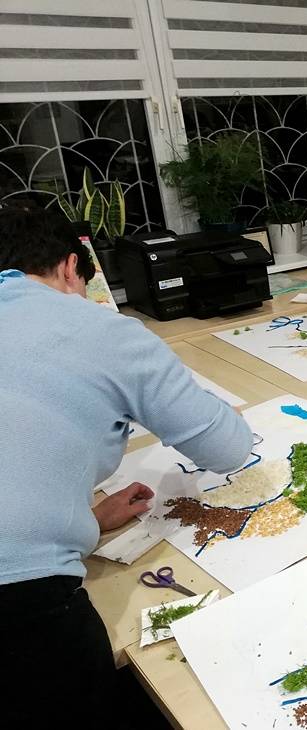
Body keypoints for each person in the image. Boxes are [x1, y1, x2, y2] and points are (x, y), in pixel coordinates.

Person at [0, 205, 254, 727]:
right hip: (21, 615)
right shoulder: (100, 329)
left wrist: (84, 522)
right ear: (71, 267)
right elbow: (228, 450)